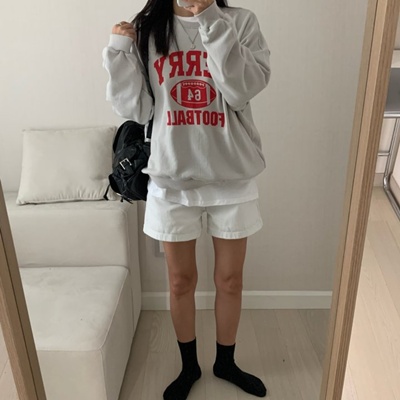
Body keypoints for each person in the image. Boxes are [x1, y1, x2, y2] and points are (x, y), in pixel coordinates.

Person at [102, 0, 271, 398]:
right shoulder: (149, 29)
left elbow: (241, 91)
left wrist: (208, 18)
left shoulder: (240, 22)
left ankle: (226, 362)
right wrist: (118, 53)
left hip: (231, 177)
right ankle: (189, 367)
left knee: (230, 280)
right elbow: (138, 108)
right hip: (171, 178)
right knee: (180, 282)